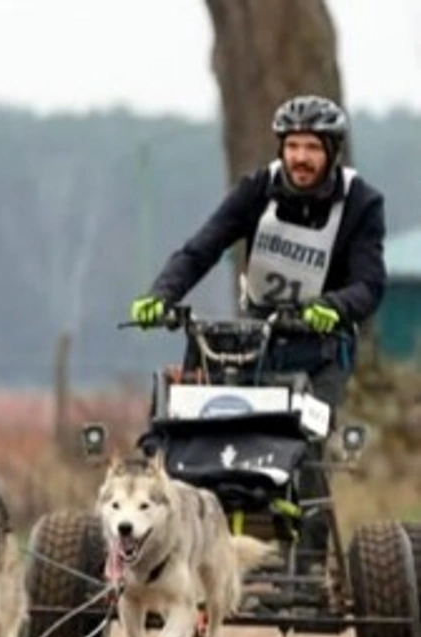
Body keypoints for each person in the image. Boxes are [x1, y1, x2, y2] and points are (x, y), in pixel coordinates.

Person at [129, 94, 388, 574]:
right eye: (293, 146)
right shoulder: (256, 189)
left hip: (320, 350)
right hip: (255, 341)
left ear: (332, 151)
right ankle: (164, 548)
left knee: (307, 446)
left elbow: (370, 283)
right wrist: (162, 294)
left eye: (312, 147)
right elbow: (202, 249)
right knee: (185, 429)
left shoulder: (361, 203)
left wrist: (334, 307)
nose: (300, 158)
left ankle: (306, 569)